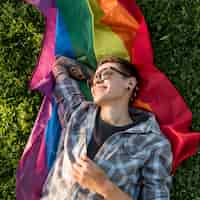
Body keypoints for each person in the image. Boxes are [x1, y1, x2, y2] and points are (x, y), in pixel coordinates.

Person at [40, 56, 173, 200]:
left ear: (129, 83)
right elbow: (60, 65)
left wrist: (104, 186)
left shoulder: (153, 143)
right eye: (95, 79)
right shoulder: (77, 112)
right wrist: (92, 75)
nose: (97, 80)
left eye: (106, 73)